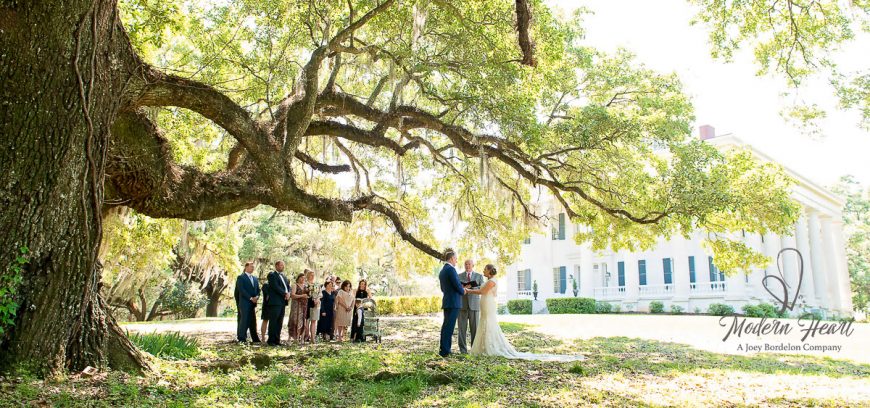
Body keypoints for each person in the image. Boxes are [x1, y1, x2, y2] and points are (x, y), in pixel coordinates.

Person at [465, 264, 584, 362]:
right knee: (484, 322)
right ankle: (483, 347)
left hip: (488, 303)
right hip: (486, 303)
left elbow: (482, 291)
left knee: (488, 323)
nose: (483, 271)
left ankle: (490, 347)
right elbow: (482, 289)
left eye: (485, 269)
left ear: (490, 271)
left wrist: (468, 291)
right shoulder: (490, 280)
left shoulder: (492, 281)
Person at [438, 248, 466, 357]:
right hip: (454, 302)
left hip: (447, 301)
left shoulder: (442, 271)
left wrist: (459, 287)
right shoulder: (451, 269)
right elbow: (457, 285)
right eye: (456, 259)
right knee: (449, 327)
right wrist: (463, 290)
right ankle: (445, 351)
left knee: (446, 326)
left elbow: (443, 288)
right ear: (451, 258)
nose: (456, 261)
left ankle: (444, 349)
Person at [458, 259, 484, 354]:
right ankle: (463, 350)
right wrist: (463, 287)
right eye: (466, 264)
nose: (467, 265)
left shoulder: (479, 276)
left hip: (474, 306)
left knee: (475, 330)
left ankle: (474, 350)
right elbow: (456, 288)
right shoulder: (458, 276)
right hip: (462, 306)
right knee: (461, 330)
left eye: (469, 264)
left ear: (473, 265)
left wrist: (471, 287)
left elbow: (482, 288)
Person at [234, 262, 261, 343]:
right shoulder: (241, 277)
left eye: (253, 267)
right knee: (244, 320)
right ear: (246, 267)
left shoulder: (255, 279)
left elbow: (258, 290)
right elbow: (241, 290)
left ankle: (255, 338)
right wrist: (250, 298)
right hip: (245, 302)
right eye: (251, 266)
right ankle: (242, 338)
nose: (252, 268)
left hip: (253, 303)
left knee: (253, 321)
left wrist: (257, 297)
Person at [265, 261, 290, 346]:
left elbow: (288, 287)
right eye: (280, 265)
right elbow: (275, 287)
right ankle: (271, 340)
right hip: (275, 302)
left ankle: (277, 340)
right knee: (273, 321)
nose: (282, 266)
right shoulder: (272, 275)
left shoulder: (284, 276)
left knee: (280, 321)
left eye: (283, 265)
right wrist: (285, 293)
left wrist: (288, 293)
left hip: (283, 302)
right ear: (276, 266)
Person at [288, 273, 309, 344]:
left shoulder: (306, 286)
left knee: (303, 321)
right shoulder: (295, 285)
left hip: (304, 306)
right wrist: (302, 295)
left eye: (304, 278)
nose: (303, 279)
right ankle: (294, 338)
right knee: (295, 321)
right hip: (296, 306)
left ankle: (302, 338)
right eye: (301, 278)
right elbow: (292, 295)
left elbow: (308, 295)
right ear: (298, 278)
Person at [305, 269, 321, 344]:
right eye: (311, 275)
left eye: (313, 275)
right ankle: (306, 336)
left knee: (314, 321)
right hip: (307, 303)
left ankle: (313, 338)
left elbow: (320, 293)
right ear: (308, 276)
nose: (312, 276)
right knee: (307, 321)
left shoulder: (317, 284)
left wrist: (317, 299)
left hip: (316, 303)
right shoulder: (305, 284)